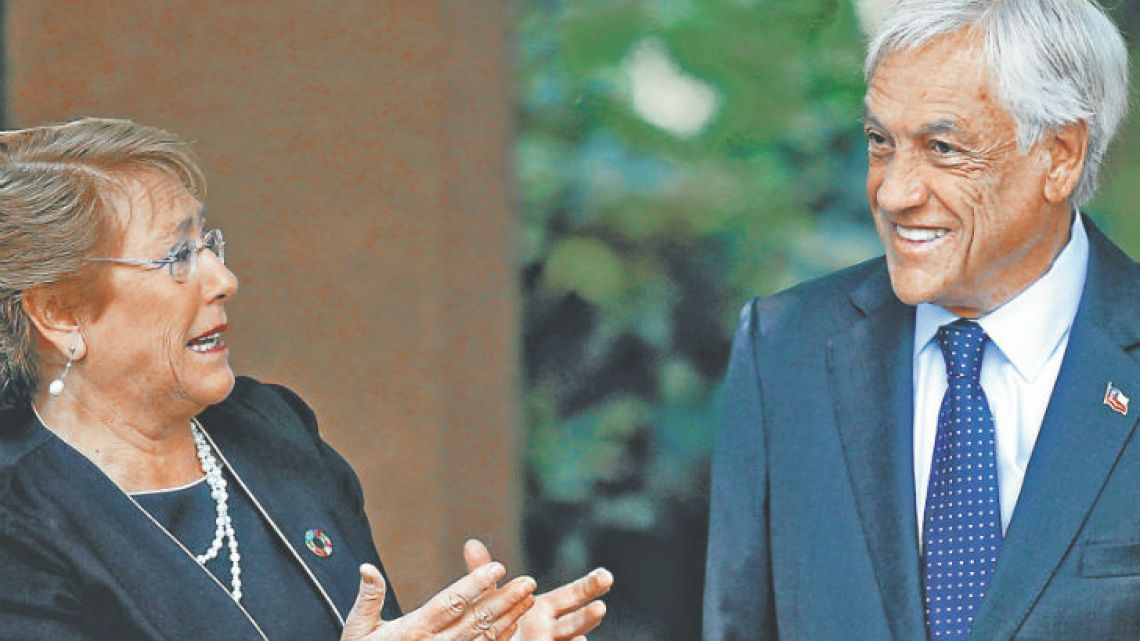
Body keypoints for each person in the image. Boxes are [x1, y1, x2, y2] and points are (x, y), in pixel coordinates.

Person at [0, 118, 612, 640]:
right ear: (59, 312)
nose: (223, 279)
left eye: (207, 242)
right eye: (177, 257)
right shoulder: (17, 519)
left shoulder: (271, 428)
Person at [703, 0, 1139, 639]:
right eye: (881, 142)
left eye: (942, 147)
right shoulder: (784, 350)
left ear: (1060, 156)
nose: (892, 191)